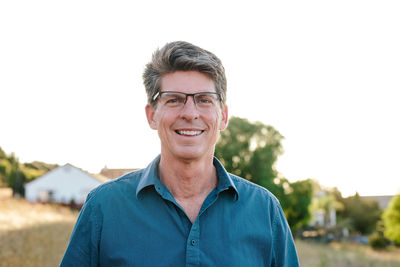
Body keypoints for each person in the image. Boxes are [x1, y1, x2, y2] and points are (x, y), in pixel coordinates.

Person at [61, 41, 299, 266]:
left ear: (223, 116)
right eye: (174, 100)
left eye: (204, 100)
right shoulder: (103, 208)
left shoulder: (265, 211)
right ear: (152, 115)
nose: (190, 113)